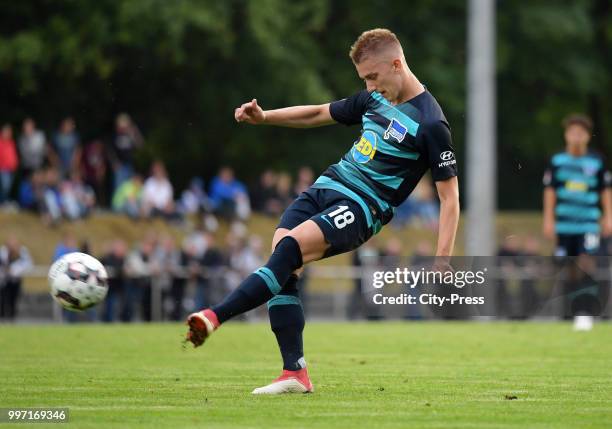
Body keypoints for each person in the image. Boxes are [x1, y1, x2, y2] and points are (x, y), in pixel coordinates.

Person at [185, 29, 460, 394]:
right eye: (364, 80)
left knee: (288, 251)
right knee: (282, 254)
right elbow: (317, 113)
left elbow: (450, 198)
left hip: (362, 207)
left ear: (397, 64)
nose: (369, 87)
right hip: (327, 186)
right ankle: (294, 373)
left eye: (373, 77)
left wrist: (442, 261)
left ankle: (214, 316)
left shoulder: (431, 124)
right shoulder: (372, 100)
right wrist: (265, 117)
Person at [542, 114, 612, 327]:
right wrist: (548, 219)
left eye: (580, 133)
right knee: (567, 267)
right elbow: (550, 191)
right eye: (572, 133)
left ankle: (584, 311)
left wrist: (608, 216)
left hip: (588, 223)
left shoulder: (596, 161)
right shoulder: (557, 161)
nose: (576, 137)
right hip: (564, 224)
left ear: (587, 137)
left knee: (586, 262)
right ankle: (568, 312)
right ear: (566, 135)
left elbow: (605, 190)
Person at [0, 237, 33, 320]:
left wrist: (14, 270)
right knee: (3, 300)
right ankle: (2, 318)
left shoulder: (22, 252)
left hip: (15, 280)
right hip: (4, 281)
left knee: (14, 300)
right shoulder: (3, 252)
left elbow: (28, 265)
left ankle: (12, 318)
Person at [0, 124, 19, 204]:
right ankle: (3, 201)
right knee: (5, 187)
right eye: (7, 132)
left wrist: (15, 163)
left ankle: (4, 201)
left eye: (9, 132)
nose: (8, 134)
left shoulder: (11, 142)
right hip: (3, 168)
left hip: (11, 169)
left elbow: (14, 154)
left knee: (8, 187)